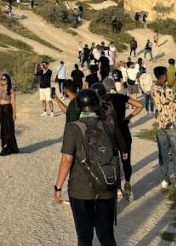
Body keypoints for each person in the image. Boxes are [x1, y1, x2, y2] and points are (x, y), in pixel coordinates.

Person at [54, 89, 120, 246]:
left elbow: (67, 159)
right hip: (106, 185)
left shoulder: (72, 128)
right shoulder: (107, 126)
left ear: (78, 107)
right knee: (107, 236)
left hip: (81, 190)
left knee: (84, 237)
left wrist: (58, 187)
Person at [93, 81, 143, 200]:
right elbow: (140, 106)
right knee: (126, 160)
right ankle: (128, 183)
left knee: (113, 161)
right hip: (124, 133)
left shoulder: (98, 103)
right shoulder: (121, 97)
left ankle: (118, 188)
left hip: (109, 135)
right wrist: (128, 118)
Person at [152, 66, 176, 188]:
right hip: (173, 126)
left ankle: (164, 179)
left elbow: (164, 92)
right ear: (164, 75)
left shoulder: (154, 88)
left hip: (161, 126)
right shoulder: (169, 91)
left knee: (163, 153)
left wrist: (171, 85)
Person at [0, 73, 19, 155]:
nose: (2, 80)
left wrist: (14, 114)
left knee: (9, 128)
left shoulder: (11, 90)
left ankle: (10, 147)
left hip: (8, 109)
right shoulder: (0, 88)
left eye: (4, 79)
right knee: (3, 129)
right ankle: (4, 146)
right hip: (1, 109)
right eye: (1, 79)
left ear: (8, 80)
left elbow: (14, 102)